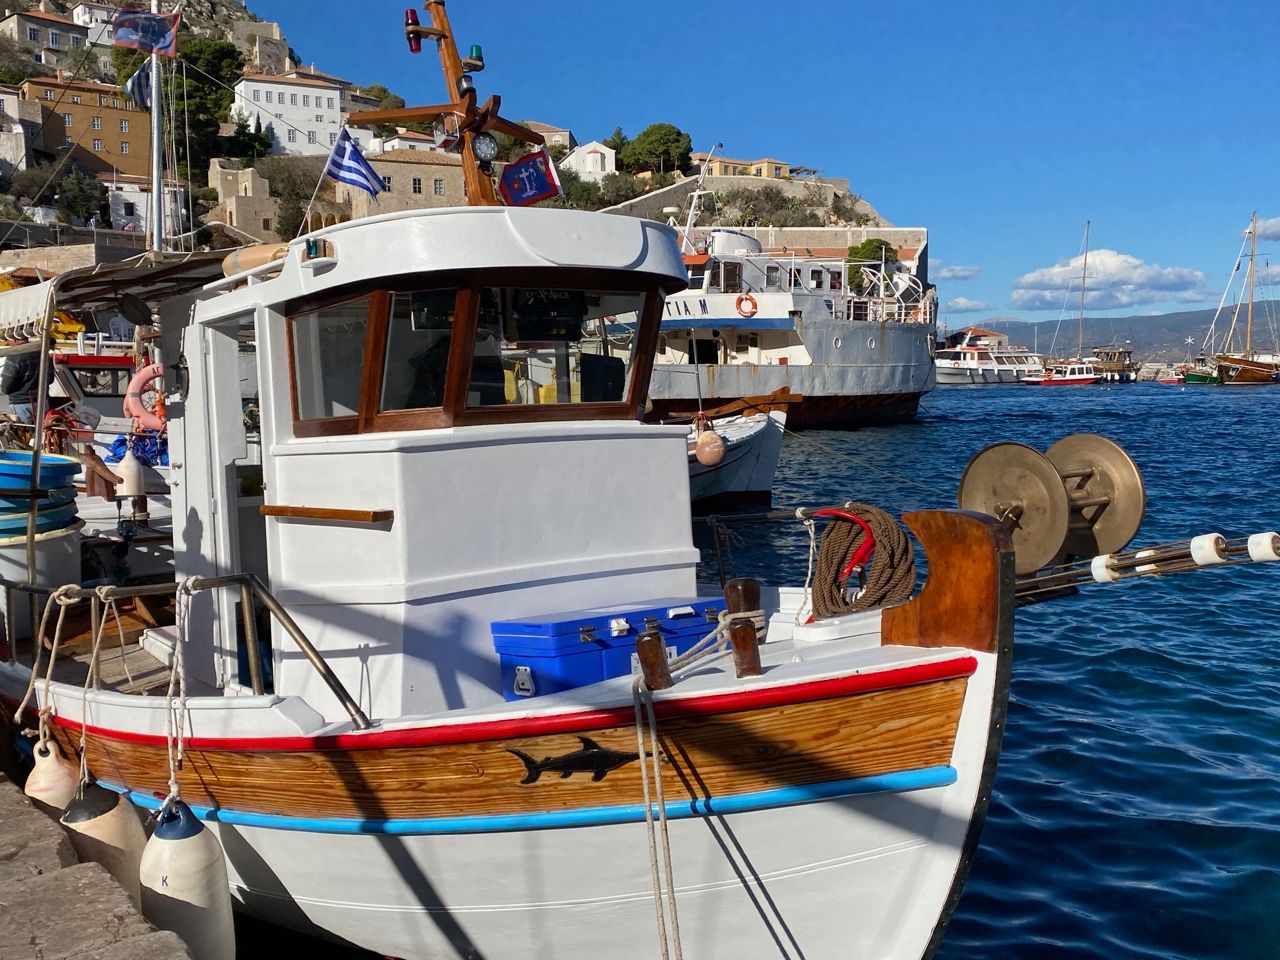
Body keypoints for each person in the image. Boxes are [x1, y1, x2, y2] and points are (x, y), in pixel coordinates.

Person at [2, 352, 51, 424]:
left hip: (21, 404)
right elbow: (51, 379)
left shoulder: (14, 356)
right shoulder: (43, 353)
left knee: (24, 429)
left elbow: (6, 388)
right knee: (43, 428)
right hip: (43, 402)